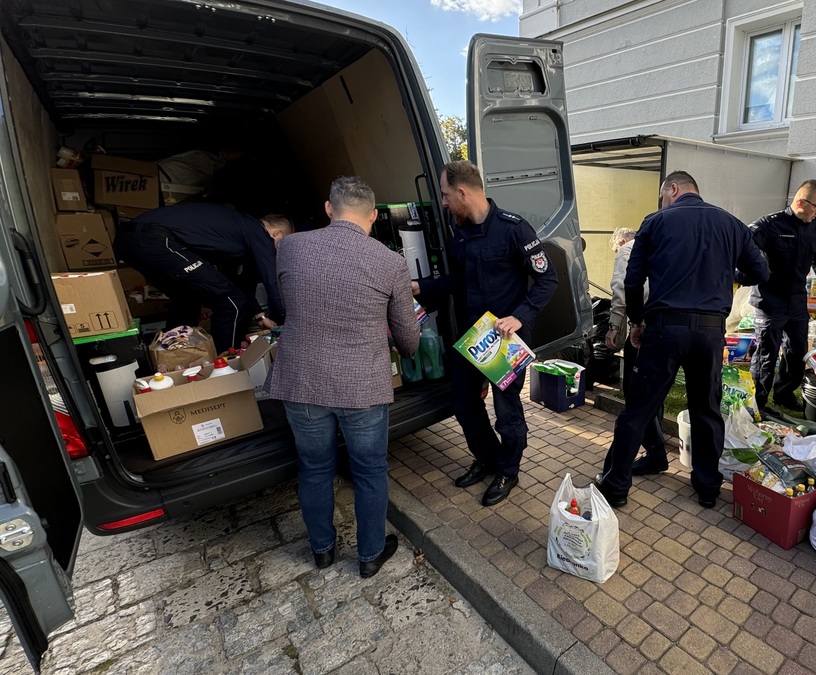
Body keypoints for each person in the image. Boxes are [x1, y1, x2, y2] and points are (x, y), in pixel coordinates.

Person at [265, 176, 421, 578]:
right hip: (362, 386)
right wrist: (405, 348)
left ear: (329, 208)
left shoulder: (291, 247)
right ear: (372, 215)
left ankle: (322, 550)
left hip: (301, 381)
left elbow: (287, 304)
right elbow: (408, 337)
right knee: (369, 471)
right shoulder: (390, 262)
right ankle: (369, 556)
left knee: (313, 469)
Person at [595, 171, 769, 508]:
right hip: (710, 332)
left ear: (673, 189)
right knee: (706, 408)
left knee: (639, 409)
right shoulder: (732, 225)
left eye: (663, 196)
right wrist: (729, 274)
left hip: (664, 328)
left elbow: (633, 280)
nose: (662, 202)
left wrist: (636, 321)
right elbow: (760, 272)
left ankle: (616, 485)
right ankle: (707, 487)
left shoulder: (656, 222)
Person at [414, 160, 558, 507]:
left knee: (507, 411)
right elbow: (457, 281)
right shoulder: (459, 232)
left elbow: (547, 279)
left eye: (447, 195)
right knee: (464, 404)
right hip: (471, 338)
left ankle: (509, 469)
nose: (444, 203)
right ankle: (488, 458)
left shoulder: (514, 229)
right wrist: (420, 286)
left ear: (463, 192)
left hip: (503, 342)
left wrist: (520, 317)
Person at [113, 202, 292, 353]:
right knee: (231, 302)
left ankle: (177, 356)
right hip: (155, 238)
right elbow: (272, 280)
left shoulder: (234, 234)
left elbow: (237, 283)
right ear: (276, 234)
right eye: (281, 245)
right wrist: (290, 320)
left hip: (129, 241)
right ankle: (228, 363)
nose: (279, 252)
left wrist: (260, 316)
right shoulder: (257, 230)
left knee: (187, 300)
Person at [746, 180, 816, 418]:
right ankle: (758, 402)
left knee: (797, 352)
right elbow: (743, 247)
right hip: (770, 300)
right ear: (800, 202)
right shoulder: (769, 225)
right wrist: (740, 275)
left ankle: (784, 393)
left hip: (796, 299)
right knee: (767, 353)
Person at [605, 227, 668, 474]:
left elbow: (622, 289)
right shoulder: (660, 245)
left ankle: (654, 453)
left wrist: (614, 326)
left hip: (643, 328)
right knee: (655, 389)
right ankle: (656, 442)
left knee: (635, 391)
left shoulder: (628, 249)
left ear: (621, 241)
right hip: (668, 327)